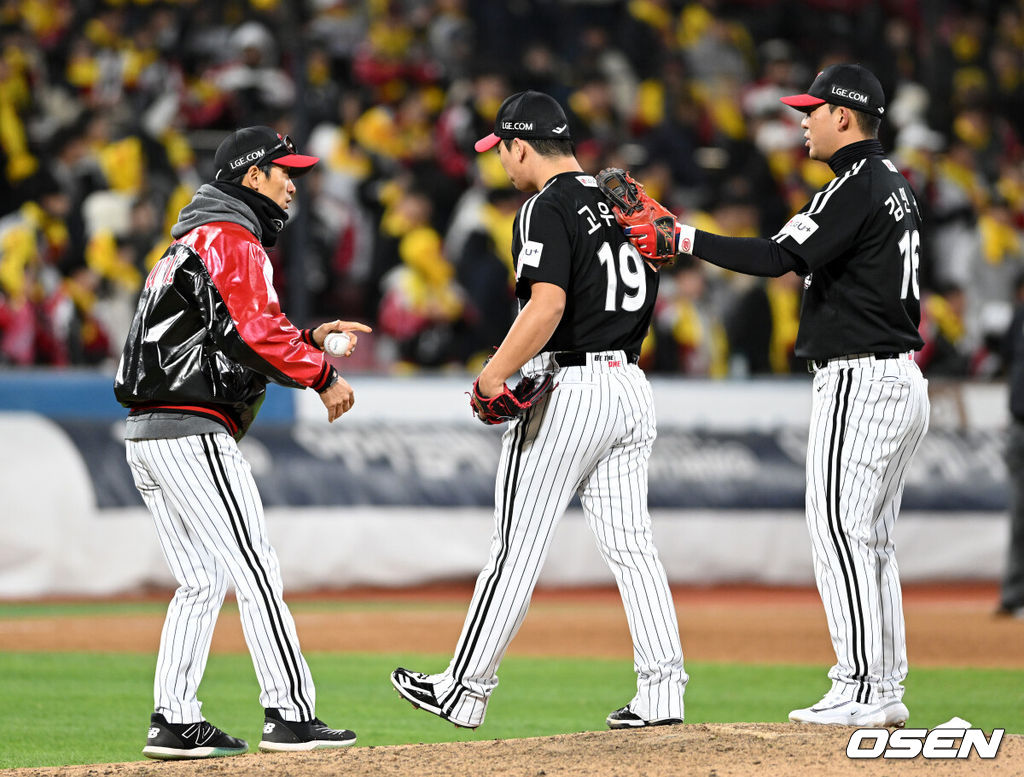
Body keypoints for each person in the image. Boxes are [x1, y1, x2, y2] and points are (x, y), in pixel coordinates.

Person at [622, 64, 930, 727]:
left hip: (861, 376)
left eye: (813, 110)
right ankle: (883, 687)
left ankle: (857, 685)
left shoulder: (855, 184)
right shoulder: (893, 185)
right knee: (871, 540)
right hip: (899, 373)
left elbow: (775, 258)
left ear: (844, 117)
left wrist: (684, 237)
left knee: (841, 534)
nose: (802, 120)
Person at [390, 90, 688, 730]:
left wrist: (495, 371)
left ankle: (464, 688)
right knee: (633, 548)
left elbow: (547, 304)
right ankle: (663, 692)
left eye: (501, 150)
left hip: (572, 390)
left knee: (513, 548)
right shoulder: (621, 198)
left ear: (520, 145)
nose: (500, 162)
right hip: (631, 384)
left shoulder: (543, 206)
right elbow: (661, 257)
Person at [114, 126, 369, 759]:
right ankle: (289, 712)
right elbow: (253, 334)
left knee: (200, 580)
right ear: (251, 176)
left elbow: (229, 335)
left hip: (146, 434)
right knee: (254, 565)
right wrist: (322, 373)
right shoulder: (233, 239)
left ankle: (174, 718)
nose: (293, 182)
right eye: (285, 170)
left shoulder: (189, 243)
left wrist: (306, 338)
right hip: (190, 429)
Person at [998, 274, 1024, 618]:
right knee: (1019, 514)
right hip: (1019, 426)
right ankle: (1014, 594)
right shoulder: (1019, 316)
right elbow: (1003, 354)